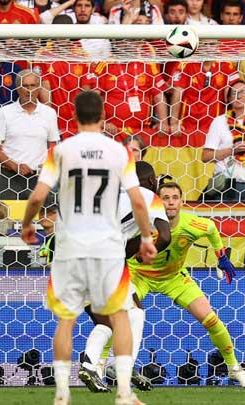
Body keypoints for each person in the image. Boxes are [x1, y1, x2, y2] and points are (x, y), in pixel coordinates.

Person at [20, 90, 157, 405]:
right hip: (108, 247)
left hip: (70, 245)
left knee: (66, 319)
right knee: (121, 315)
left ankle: (61, 395)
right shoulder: (119, 151)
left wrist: (28, 224)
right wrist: (147, 238)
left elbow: (39, 196)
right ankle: (124, 393)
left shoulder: (62, 150)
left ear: (74, 116)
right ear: (104, 116)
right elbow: (138, 200)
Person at [125, 181, 245, 388]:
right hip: (139, 274)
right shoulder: (143, 222)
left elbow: (212, 229)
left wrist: (221, 257)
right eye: (165, 198)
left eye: (174, 198)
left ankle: (234, 369)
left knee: (211, 320)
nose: (170, 203)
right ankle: (100, 365)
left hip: (174, 278)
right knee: (122, 316)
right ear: (158, 202)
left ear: (182, 201)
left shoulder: (192, 224)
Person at [78, 161, 171, 394]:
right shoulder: (148, 196)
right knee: (128, 316)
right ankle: (119, 367)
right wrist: (149, 249)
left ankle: (96, 365)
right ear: (150, 181)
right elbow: (166, 236)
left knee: (122, 315)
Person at [0, 70, 60, 200]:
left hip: (39, 178)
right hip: (9, 177)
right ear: (17, 88)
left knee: (44, 218)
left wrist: (48, 164)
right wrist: (14, 166)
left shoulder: (49, 113)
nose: (29, 90)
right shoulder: (4, 113)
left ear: (39, 88)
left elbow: (53, 145)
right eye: (25, 86)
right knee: (8, 218)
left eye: (33, 86)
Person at [201, 80, 245, 202]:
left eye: (242, 92)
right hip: (225, 184)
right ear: (228, 99)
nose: (237, 95)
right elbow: (206, 156)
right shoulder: (219, 122)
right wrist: (232, 150)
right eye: (233, 93)